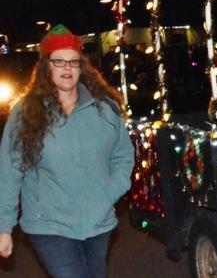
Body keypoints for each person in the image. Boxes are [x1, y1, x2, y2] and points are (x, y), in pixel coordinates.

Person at [0, 25, 134, 277]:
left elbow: (123, 155)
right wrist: (3, 226)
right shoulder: (27, 112)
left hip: (98, 221)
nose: (67, 68)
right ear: (45, 67)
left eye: (73, 62)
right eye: (59, 61)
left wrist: (109, 192)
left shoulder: (104, 109)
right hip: (49, 224)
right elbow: (9, 171)